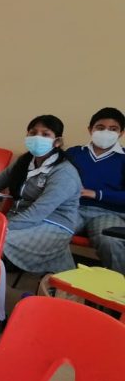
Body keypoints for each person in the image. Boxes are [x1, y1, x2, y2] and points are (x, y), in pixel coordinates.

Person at [0, 114, 82, 336]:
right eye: (33, 133)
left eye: (45, 134)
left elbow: (39, 212)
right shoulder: (25, 161)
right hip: (21, 219)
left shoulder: (64, 172)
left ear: (57, 141)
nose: (37, 138)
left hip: (52, 225)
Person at [66, 107, 125, 274]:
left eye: (113, 129)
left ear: (121, 133)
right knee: (54, 231)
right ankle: (60, 280)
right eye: (100, 127)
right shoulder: (74, 153)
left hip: (109, 213)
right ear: (90, 129)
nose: (106, 132)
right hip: (73, 208)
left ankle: (119, 285)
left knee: (109, 240)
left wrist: (97, 194)